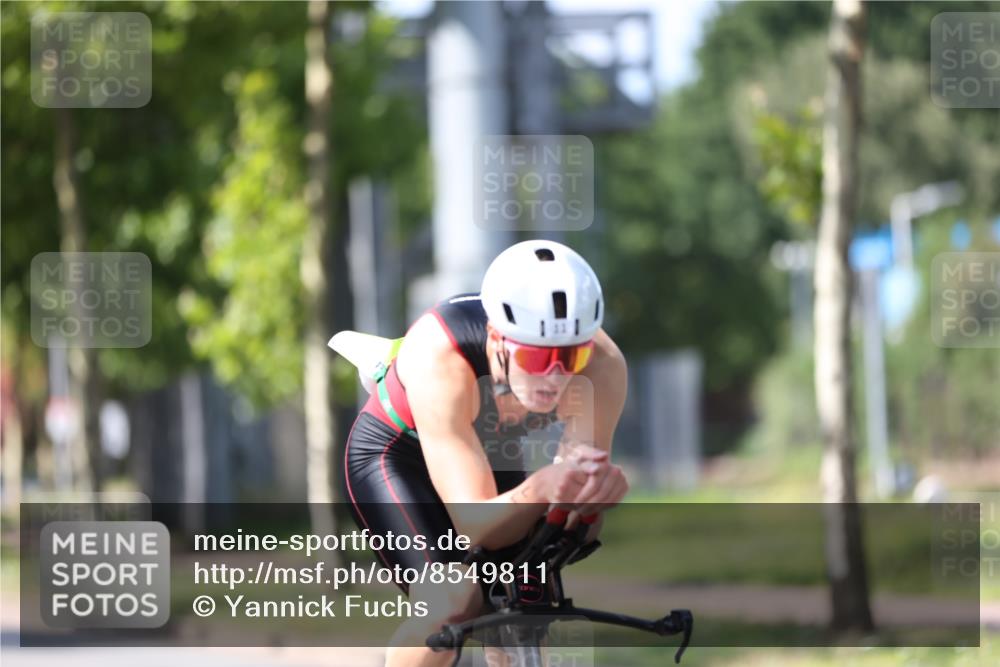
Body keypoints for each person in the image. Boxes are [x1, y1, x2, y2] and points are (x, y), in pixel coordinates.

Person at [343, 239, 629, 666]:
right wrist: (541, 488)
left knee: (527, 601)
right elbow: (476, 524)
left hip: (491, 451)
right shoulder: (441, 354)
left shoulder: (602, 364)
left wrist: (591, 501)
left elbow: (571, 528)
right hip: (397, 455)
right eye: (537, 356)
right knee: (451, 598)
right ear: (498, 340)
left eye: (571, 356)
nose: (555, 375)